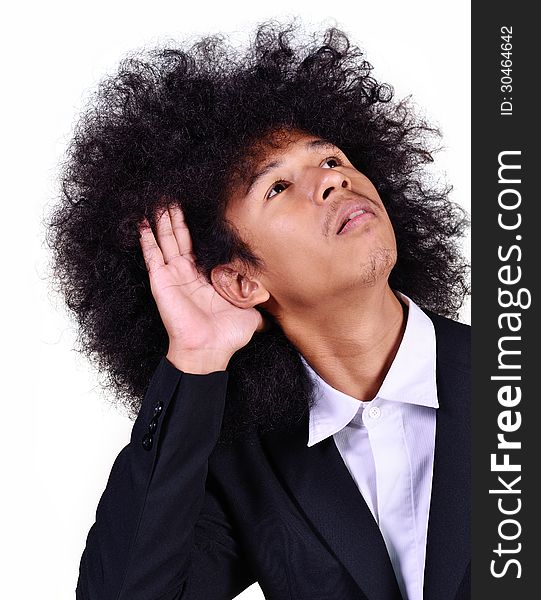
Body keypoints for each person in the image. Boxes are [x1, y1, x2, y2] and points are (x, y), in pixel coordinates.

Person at [48, 19, 470, 600]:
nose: (333, 182)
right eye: (276, 187)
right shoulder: (244, 465)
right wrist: (194, 358)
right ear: (241, 281)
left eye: (329, 159)